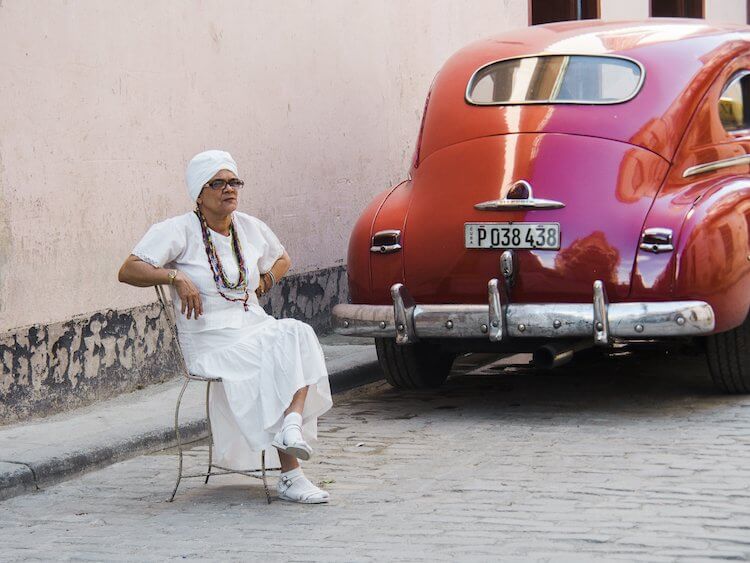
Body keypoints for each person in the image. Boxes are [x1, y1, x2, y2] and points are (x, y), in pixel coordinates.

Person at [118, 150, 332, 504]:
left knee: (298, 332)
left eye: (234, 182)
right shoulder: (178, 230)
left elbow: (283, 258)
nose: (229, 189)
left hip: (252, 324)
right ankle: (291, 475)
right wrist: (174, 276)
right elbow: (128, 269)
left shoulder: (247, 226)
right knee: (272, 353)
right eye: (218, 183)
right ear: (199, 194)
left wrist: (265, 281)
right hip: (210, 341)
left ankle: (291, 424)